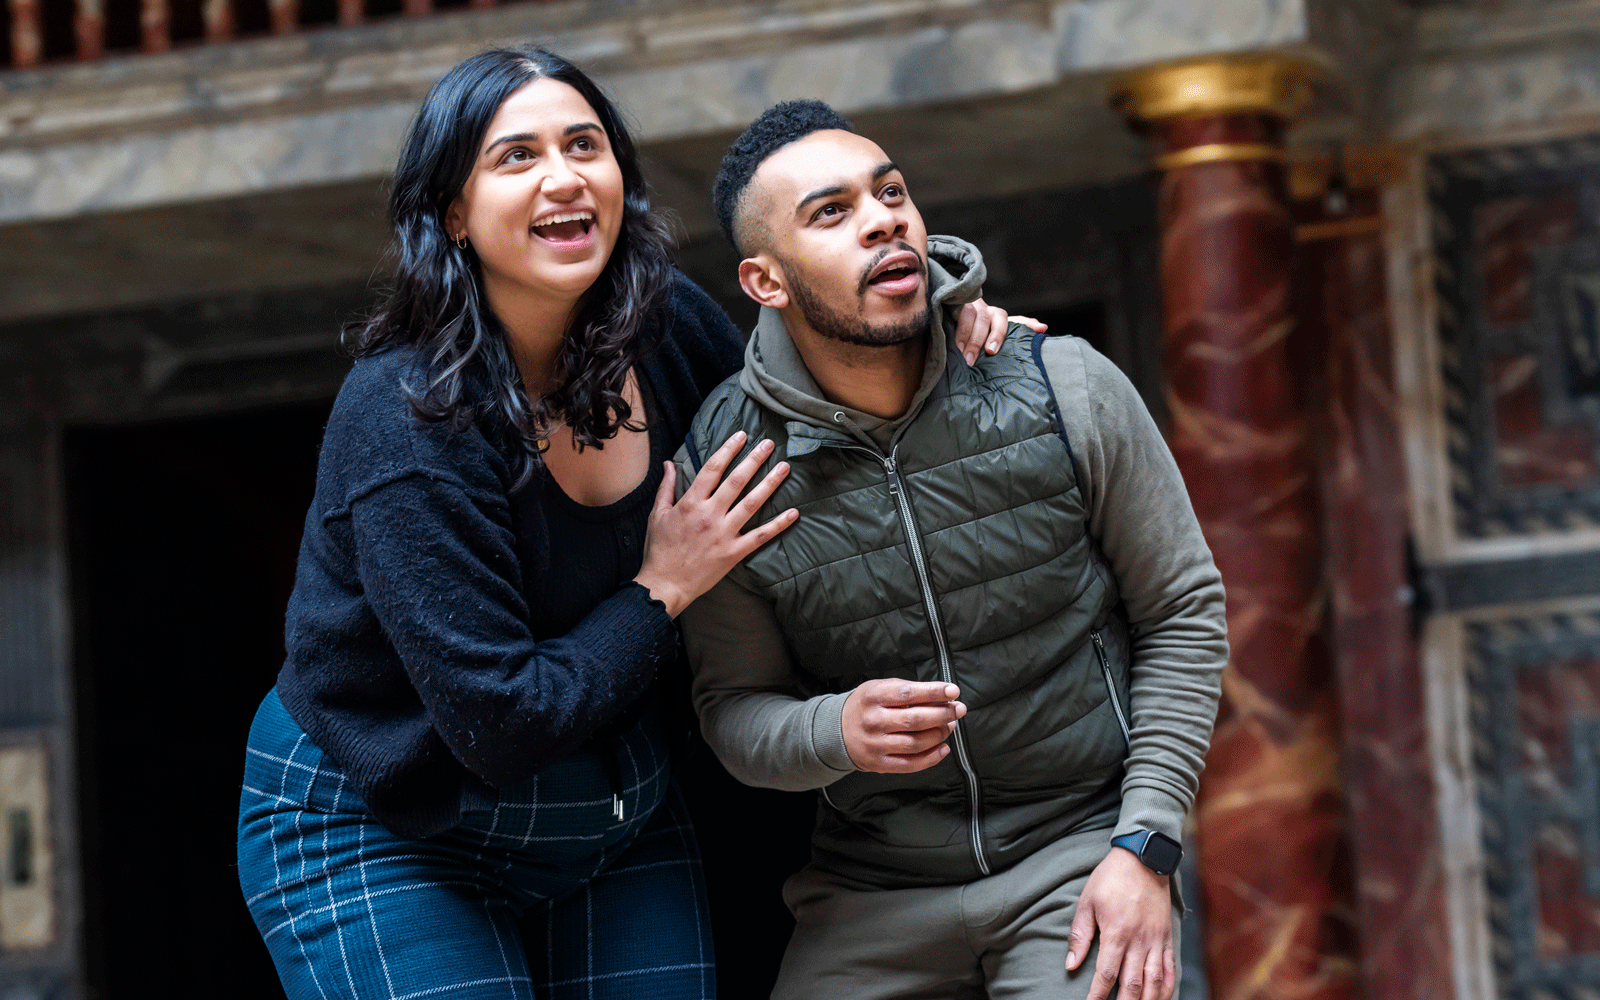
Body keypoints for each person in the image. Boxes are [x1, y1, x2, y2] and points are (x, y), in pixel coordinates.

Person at [234, 48, 1022, 1000]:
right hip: (389, 816)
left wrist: (949, 328)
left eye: (584, 145)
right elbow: (501, 723)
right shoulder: (404, 422)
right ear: (452, 213)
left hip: (615, 807)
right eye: (515, 157)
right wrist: (663, 588)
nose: (563, 175)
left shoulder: (666, 325)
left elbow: (823, 416)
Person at [676, 100, 1230, 1000]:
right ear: (765, 281)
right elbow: (734, 711)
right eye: (832, 212)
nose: (883, 218)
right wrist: (836, 731)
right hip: (869, 894)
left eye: (890, 191)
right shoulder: (729, 464)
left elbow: (1183, 611)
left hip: (1077, 855)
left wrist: (1146, 846)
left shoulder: (1061, 384)